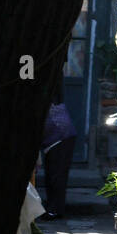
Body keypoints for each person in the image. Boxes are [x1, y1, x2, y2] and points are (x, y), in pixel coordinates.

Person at [38, 83, 76, 220]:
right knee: (52, 176)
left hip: (61, 136)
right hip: (56, 137)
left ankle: (54, 210)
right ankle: (53, 208)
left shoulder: (42, 103)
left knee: (56, 176)